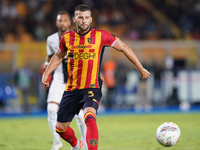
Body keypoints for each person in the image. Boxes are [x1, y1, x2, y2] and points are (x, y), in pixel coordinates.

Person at [42, 4, 150, 150]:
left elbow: (125, 48)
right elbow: (58, 56)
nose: (84, 21)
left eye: (87, 18)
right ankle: (77, 145)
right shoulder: (67, 38)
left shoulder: (101, 35)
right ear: (74, 19)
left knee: (89, 117)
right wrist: (47, 73)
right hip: (72, 88)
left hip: (92, 86)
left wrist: (140, 68)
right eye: (80, 18)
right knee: (60, 128)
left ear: (91, 19)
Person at [43, 11, 86, 150]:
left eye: (65, 20)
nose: (62, 23)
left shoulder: (78, 37)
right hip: (59, 79)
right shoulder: (51, 40)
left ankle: (84, 142)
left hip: (75, 81)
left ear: (70, 22)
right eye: (60, 20)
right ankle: (57, 142)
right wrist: (46, 65)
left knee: (80, 115)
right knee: (51, 108)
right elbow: (50, 57)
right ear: (57, 23)